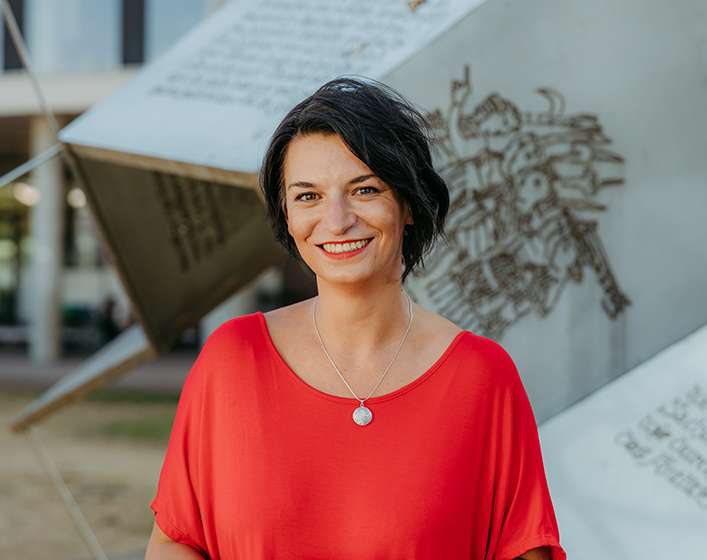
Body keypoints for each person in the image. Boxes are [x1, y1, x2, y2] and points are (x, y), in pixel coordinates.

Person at [145, 78, 565, 560]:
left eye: (364, 189)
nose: (337, 220)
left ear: (409, 204)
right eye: (308, 196)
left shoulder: (483, 378)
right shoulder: (232, 359)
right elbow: (176, 540)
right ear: (286, 213)